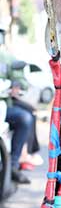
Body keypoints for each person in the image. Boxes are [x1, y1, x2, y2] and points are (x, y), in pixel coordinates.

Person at [0, 28, 34, 184]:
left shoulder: (6, 59)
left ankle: (13, 165)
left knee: (25, 118)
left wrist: (16, 85)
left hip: (3, 106)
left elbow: (21, 81)